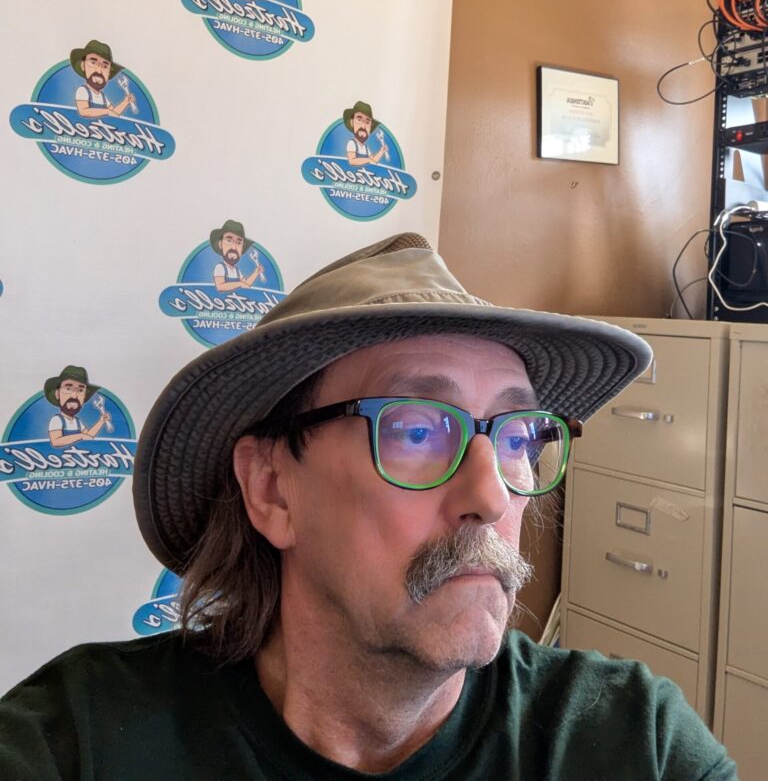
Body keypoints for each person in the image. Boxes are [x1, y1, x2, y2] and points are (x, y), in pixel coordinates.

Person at [0, 234, 737, 779]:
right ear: (271, 489)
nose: (489, 496)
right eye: (417, 429)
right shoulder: (79, 744)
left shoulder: (634, 746)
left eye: (517, 438)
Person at [45, 365, 111, 450]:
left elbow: (88, 436)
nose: (74, 396)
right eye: (68, 389)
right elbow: (56, 441)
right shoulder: (57, 420)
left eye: (80, 390)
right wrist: (80, 436)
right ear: (57, 394)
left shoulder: (77, 422)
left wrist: (101, 421)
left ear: (84, 396)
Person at [70, 40, 136, 119]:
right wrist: (106, 111)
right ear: (83, 66)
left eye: (105, 66)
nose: (99, 71)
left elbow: (114, 113)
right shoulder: (83, 91)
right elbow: (83, 111)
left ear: (109, 73)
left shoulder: (103, 97)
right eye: (93, 63)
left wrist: (125, 102)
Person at [210, 218, 266, 293]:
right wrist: (240, 284)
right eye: (229, 241)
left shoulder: (237, 271)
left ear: (242, 248)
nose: (234, 247)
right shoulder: (220, 267)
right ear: (220, 244)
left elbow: (246, 285)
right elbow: (220, 286)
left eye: (238, 243)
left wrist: (256, 273)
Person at [344, 99, 389, 166]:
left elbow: (373, 161)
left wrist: (381, 151)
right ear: (352, 122)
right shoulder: (352, 143)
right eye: (359, 120)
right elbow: (352, 161)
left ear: (370, 127)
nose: (363, 126)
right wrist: (368, 160)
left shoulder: (366, 148)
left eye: (367, 122)